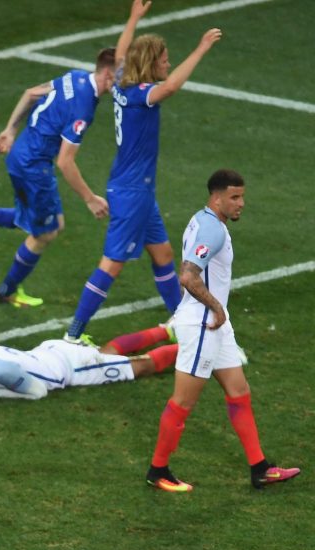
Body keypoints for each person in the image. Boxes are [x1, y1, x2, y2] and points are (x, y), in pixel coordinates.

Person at [64, 0, 223, 342]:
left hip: (137, 188)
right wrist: (200, 49)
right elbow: (171, 87)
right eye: (165, 59)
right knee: (112, 263)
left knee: (163, 255)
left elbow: (121, 52)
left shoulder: (122, 82)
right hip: (132, 191)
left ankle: (182, 323)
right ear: (152, 63)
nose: (169, 63)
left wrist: (134, 17)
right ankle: (74, 334)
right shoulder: (140, 94)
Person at [146, 170, 300, 492]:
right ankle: (158, 470)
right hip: (203, 323)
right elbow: (187, 277)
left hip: (217, 324)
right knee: (183, 402)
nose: (241, 203)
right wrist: (216, 307)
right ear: (217, 198)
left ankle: (260, 469)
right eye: (234, 197)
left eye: (242, 196)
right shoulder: (212, 231)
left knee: (239, 391)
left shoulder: (203, 220)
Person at [0, 47, 117, 309]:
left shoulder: (75, 77)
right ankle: (6, 291)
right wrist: (89, 198)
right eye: (121, 75)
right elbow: (65, 161)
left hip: (23, 155)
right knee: (45, 233)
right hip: (34, 168)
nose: (124, 82)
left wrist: (10, 130)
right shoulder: (84, 107)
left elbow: (31, 93)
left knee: (53, 223)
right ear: (107, 74)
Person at [0, 323, 178, 401]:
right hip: (50, 348)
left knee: (137, 368)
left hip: (73, 368)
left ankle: (198, 346)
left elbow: (38, 392)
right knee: (106, 352)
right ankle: (166, 330)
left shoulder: (2, 371)